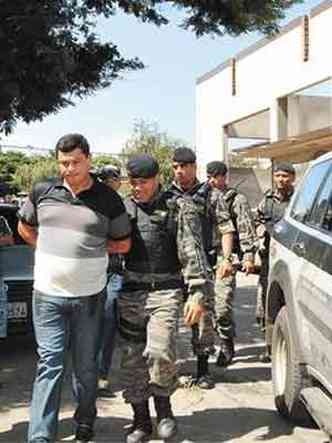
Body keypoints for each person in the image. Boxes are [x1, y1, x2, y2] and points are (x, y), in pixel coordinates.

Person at [17, 134, 131, 443]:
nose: (69, 169)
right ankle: (40, 435)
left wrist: (88, 247)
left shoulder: (108, 198)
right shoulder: (43, 191)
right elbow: (24, 227)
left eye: (75, 162)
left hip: (89, 297)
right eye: (63, 163)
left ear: (89, 160)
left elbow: (123, 242)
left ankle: (85, 419)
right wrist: (51, 248)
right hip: (47, 296)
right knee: (49, 363)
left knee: (85, 367)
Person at [118, 154, 213, 443]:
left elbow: (192, 252)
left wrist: (197, 292)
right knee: (132, 360)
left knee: (160, 352)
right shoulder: (122, 209)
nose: (137, 188)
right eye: (132, 183)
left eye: (143, 182)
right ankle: (140, 420)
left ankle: (165, 411)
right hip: (131, 292)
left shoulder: (178, 207)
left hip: (165, 291)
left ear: (157, 178)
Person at [168, 148, 235, 389]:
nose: (179, 171)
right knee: (170, 318)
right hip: (171, 268)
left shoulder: (211, 194)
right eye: (175, 167)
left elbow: (226, 228)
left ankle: (203, 369)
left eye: (183, 167)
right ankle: (170, 370)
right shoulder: (167, 194)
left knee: (203, 319)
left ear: (194, 167)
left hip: (201, 266)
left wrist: (226, 259)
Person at [206, 161, 257, 367]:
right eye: (209, 176)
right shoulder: (203, 196)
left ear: (224, 177)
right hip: (203, 256)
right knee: (204, 306)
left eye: (215, 176)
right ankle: (205, 346)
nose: (211, 180)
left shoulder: (236, 199)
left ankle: (226, 342)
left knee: (222, 305)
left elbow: (245, 228)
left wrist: (248, 256)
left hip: (225, 256)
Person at [255, 161, 296, 362]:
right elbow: (257, 221)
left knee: (288, 301)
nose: (281, 179)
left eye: (285, 176)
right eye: (278, 175)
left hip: (290, 256)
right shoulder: (267, 200)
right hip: (269, 257)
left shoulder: (298, 200)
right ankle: (269, 348)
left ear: (292, 178)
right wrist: (261, 234)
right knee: (267, 302)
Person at [96, 164, 124, 395]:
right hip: (92, 270)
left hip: (115, 272)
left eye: (111, 178)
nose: (107, 182)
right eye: (103, 178)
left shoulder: (122, 205)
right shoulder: (91, 203)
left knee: (107, 322)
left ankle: (101, 375)